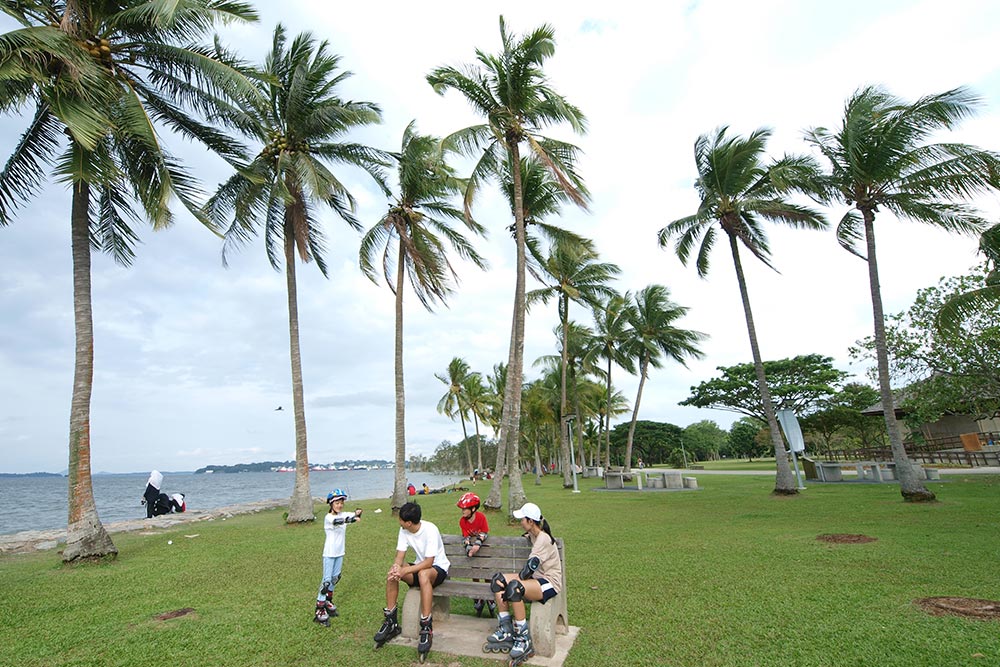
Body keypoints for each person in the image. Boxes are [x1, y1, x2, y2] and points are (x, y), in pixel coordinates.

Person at [482, 502, 561, 665]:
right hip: (537, 580)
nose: (520, 522)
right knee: (498, 581)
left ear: (531, 521)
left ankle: (523, 638)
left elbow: (527, 571)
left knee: (514, 588)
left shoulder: (543, 539)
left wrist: (513, 585)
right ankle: (506, 629)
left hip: (549, 582)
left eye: (522, 519)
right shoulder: (533, 533)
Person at [373, 502, 450, 661]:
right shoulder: (404, 530)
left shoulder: (430, 530)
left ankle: (426, 626)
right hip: (419, 567)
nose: (399, 522)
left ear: (409, 522)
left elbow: (429, 562)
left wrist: (405, 570)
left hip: (437, 569)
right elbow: (400, 556)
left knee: (423, 575)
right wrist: (396, 568)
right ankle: (391, 622)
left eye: (401, 520)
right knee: (392, 574)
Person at [313, 489, 362, 626]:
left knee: (335, 578)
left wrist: (358, 512)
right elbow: (339, 521)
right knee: (326, 581)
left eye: (341, 503)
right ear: (331, 503)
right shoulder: (329, 518)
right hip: (329, 553)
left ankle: (328, 600)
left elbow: (350, 515)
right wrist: (352, 519)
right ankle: (320, 607)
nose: (339, 505)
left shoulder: (343, 514)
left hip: (340, 552)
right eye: (337, 503)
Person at [457, 492, 493, 617]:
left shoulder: (481, 518)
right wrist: (468, 547)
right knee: (475, 571)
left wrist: (477, 544)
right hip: (473, 552)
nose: (462, 511)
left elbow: (484, 532)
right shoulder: (463, 521)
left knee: (486, 571)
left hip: (484, 550)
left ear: (473, 509)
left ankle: (490, 595)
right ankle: (478, 596)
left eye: (465, 509)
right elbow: (465, 536)